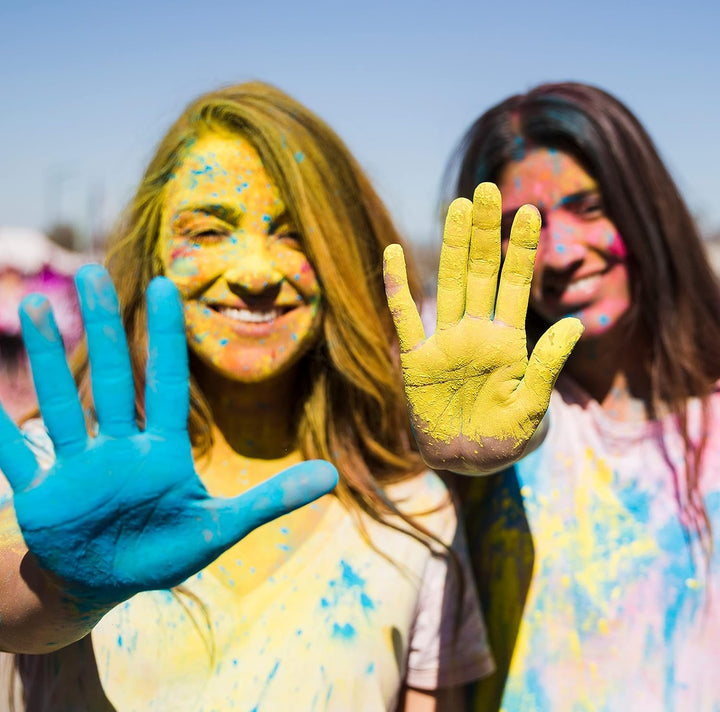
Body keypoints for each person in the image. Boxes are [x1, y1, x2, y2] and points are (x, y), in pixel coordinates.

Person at [0, 81, 494, 711]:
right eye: (209, 231)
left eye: (292, 235)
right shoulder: (63, 474)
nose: (255, 274)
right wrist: (63, 587)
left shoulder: (412, 512)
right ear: (151, 251)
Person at [386, 81, 720, 711]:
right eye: (522, 229)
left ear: (648, 206)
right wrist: (460, 453)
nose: (560, 252)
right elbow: (521, 432)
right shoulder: (506, 424)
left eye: (590, 206)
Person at [0, 228, 86, 422]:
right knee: (13, 367)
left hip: (32, 333)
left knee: (22, 367)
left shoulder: (42, 287)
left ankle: (18, 387)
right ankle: (15, 387)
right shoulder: (29, 288)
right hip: (14, 334)